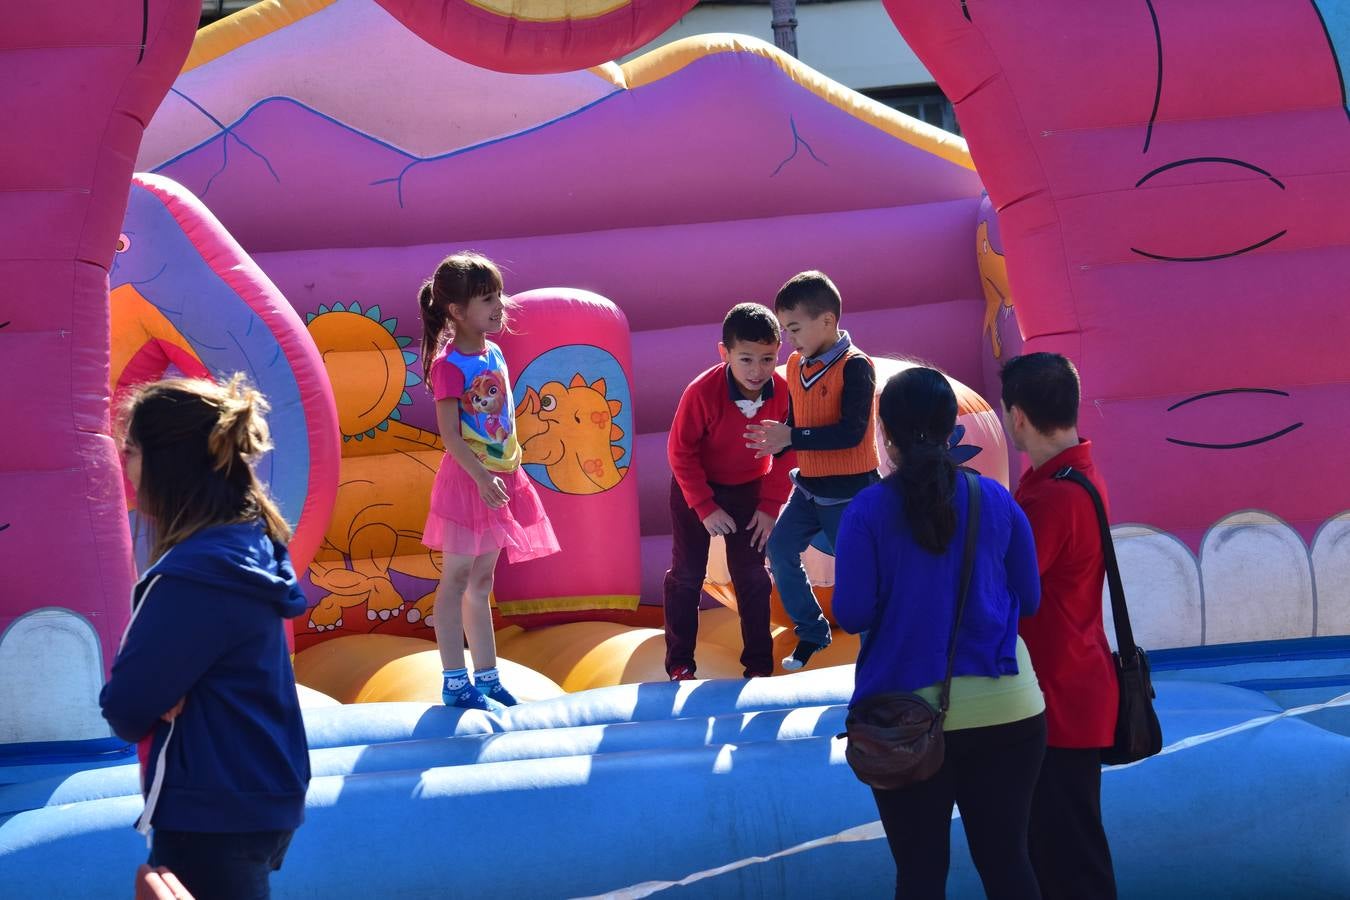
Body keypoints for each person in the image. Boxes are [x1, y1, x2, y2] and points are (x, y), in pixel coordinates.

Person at [834, 366, 1045, 900]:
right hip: (1010, 711)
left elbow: (853, 613)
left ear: (883, 433)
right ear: (954, 427)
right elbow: (1033, 598)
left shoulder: (867, 511)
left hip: (905, 719)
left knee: (922, 875)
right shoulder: (998, 500)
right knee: (1008, 864)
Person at [99, 376, 311, 900]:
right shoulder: (250, 543)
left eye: (130, 451)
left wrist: (150, 698)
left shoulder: (193, 577)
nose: (125, 468)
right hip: (259, 790)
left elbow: (126, 704)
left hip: (210, 807)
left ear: (166, 464)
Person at [999, 352, 1119, 899]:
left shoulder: (1052, 497)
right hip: (1074, 686)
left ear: (1017, 416)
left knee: (1068, 860)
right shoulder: (1072, 474)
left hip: (1060, 698)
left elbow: (1005, 590)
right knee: (1063, 850)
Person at [418, 251, 560, 711]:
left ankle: (488, 674)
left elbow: (501, 417)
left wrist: (508, 466)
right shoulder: (448, 365)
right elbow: (451, 434)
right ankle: (454, 679)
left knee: (483, 579)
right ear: (456, 312)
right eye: (487, 299)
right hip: (469, 482)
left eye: (499, 295)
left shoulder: (494, 351)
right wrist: (480, 476)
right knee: (456, 577)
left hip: (501, 478)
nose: (500, 306)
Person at [744, 270, 880, 670]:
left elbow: (850, 434)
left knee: (860, 575)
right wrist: (773, 436)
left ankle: (877, 649)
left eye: (795, 328)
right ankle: (812, 630)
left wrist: (792, 437)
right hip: (809, 489)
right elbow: (794, 419)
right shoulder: (796, 364)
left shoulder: (856, 367)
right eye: (787, 330)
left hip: (850, 494)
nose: (791, 339)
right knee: (780, 548)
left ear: (827, 321)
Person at [664, 303, 792, 680]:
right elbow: (680, 452)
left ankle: (758, 666)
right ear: (725, 354)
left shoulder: (782, 392)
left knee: (751, 576)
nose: (758, 370)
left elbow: (787, 452)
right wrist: (704, 507)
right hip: (697, 489)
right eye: (746, 359)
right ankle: (680, 664)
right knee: (687, 574)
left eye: (768, 359)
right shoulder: (702, 392)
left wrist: (769, 506)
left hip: (749, 490)